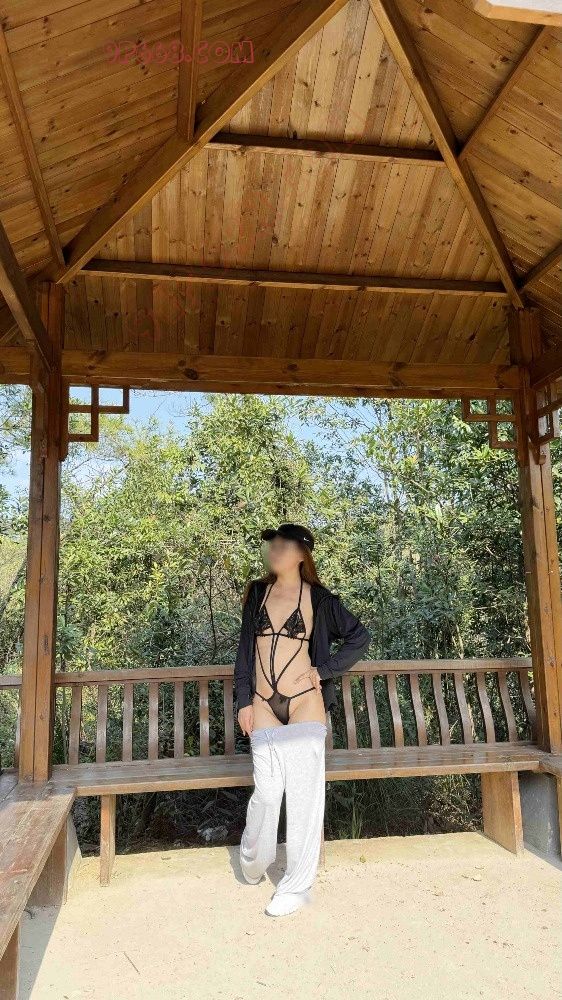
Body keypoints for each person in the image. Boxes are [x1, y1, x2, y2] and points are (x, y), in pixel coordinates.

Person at [234, 522, 370, 916]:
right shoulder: (257, 593)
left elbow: (359, 637)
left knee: (304, 796)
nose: (274, 550)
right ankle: (254, 859)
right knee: (267, 792)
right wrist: (243, 701)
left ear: (301, 555)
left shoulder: (320, 599)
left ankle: (295, 886)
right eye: (272, 545)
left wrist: (322, 671)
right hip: (262, 703)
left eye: (283, 545)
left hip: (305, 703)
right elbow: (244, 652)